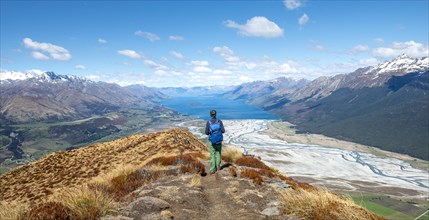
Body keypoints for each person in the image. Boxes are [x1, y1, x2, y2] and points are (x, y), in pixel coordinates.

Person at [205, 109, 225, 174]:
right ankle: (218, 167)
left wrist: (212, 132)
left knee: (212, 154)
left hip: (212, 141)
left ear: (210, 115)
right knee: (218, 153)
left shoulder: (208, 122)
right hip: (219, 140)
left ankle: (212, 169)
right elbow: (223, 131)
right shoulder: (219, 121)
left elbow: (206, 132)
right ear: (215, 114)